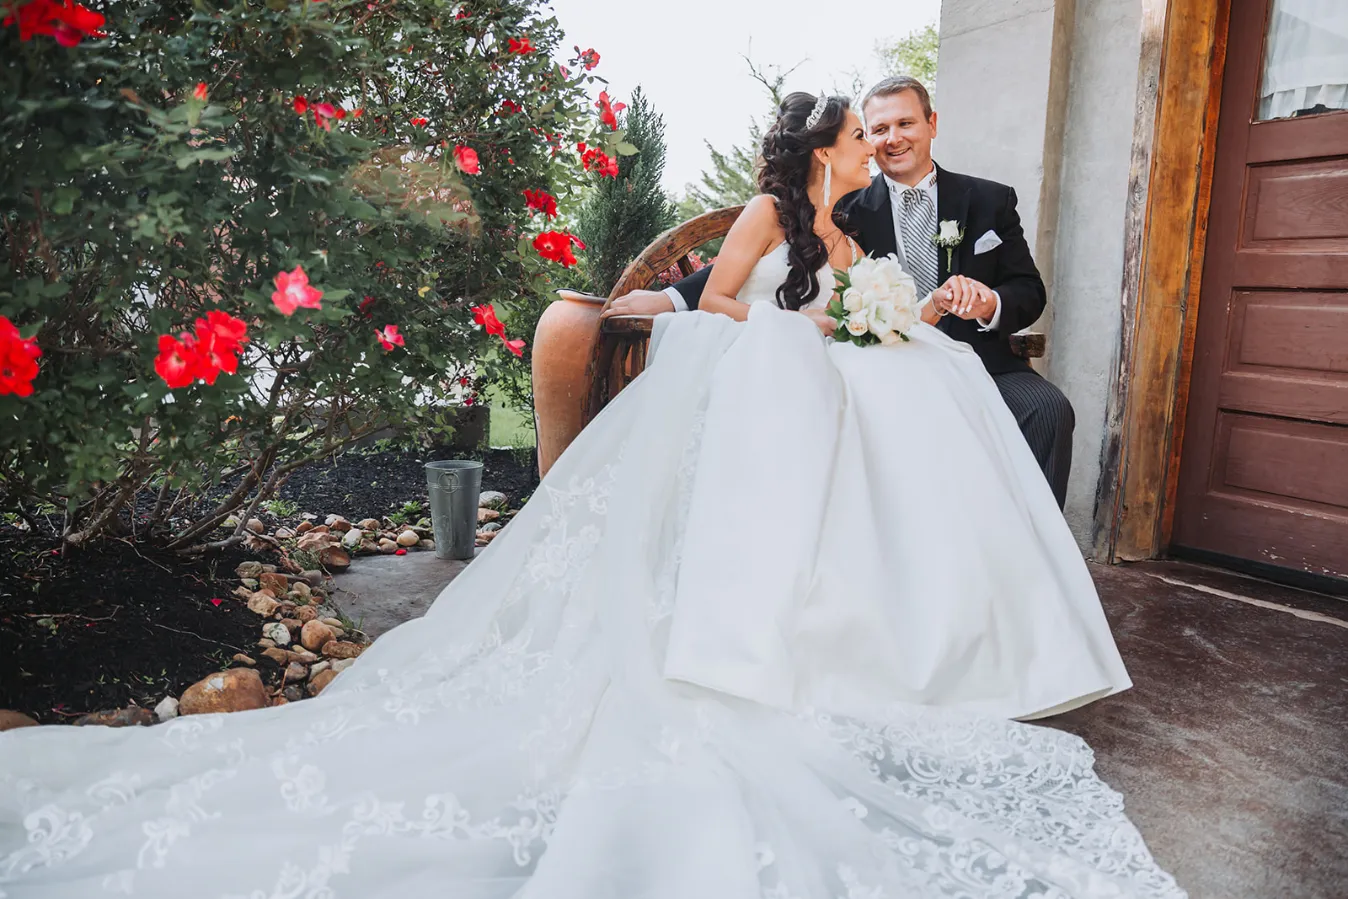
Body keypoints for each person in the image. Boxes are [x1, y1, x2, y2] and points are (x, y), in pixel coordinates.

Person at [0, 93, 1181, 899]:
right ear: (830, 145)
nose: (876, 149)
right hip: (783, 368)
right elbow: (721, 296)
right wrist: (796, 320)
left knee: (934, 398)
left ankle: (936, 618)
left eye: (889, 133)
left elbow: (854, 288)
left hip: (846, 363)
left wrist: (868, 314)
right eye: (860, 136)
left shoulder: (852, 212)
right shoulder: (779, 211)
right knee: (873, 401)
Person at [605, 76, 1076, 508]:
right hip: (883, 363)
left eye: (906, 124)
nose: (889, 140)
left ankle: (1032, 551)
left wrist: (990, 302)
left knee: (1049, 409)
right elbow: (770, 258)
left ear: (932, 124)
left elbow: (1028, 289)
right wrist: (673, 298)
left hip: (978, 359)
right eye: (877, 130)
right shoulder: (846, 207)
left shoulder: (990, 200)